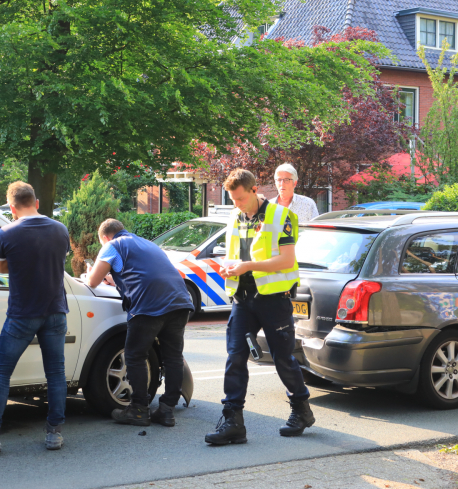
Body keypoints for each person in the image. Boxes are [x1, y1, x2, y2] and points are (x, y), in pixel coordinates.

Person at [205, 169, 314, 446]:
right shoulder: (235, 216)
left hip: (273, 298)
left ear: (254, 190)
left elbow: (286, 260)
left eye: (240, 198)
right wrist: (229, 268)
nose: (236, 204)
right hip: (242, 297)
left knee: (282, 358)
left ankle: (301, 410)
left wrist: (247, 266)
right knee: (235, 357)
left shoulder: (281, 216)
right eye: (233, 200)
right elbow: (236, 255)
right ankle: (233, 422)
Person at [0, 182, 71, 454]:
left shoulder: (8, 232)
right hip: (56, 310)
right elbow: (59, 261)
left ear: (12, 207)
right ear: (35, 201)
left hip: (23, 313)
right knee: (56, 374)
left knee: (1, 373)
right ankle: (54, 434)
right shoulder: (60, 230)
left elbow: (3, 266)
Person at [86, 219, 193, 427]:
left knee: (135, 356)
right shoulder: (148, 244)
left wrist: (98, 272)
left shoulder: (112, 245)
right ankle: (167, 410)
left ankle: (138, 410)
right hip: (180, 302)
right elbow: (146, 272)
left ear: (105, 238)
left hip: (149, 306)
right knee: (173, 357)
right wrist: (114, 277)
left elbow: (92, 281)